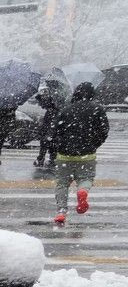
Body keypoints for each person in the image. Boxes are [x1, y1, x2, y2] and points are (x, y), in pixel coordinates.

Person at [50, 81, 110, 224]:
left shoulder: (66, 110)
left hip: (64, 154)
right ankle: (82, 191)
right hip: (87, 154)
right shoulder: (98, 109)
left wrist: (60, 146)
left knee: (62, 184)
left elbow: (54, 131)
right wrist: (94, 144)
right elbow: (104, 130)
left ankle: (61, 211)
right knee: (86, 178)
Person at [33, 86, 61, 170]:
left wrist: (47, 132)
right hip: (51, 131)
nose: (41, 105)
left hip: (49, 131)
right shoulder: (53, 108)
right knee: (51, 146)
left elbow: (50, 123)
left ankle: (43, 160)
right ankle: (51, 160)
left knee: (46, 145)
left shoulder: (51, 110)